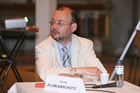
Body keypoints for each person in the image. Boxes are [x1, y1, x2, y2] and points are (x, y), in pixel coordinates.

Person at [35, 7, 107, 82]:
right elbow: (45, 74)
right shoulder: (42, 47)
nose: (54, 27)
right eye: (52, 22)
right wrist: (77, 71)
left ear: (73, 27)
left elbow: (101, 73)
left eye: (60, 23)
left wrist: (68, 76)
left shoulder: (85, 44)